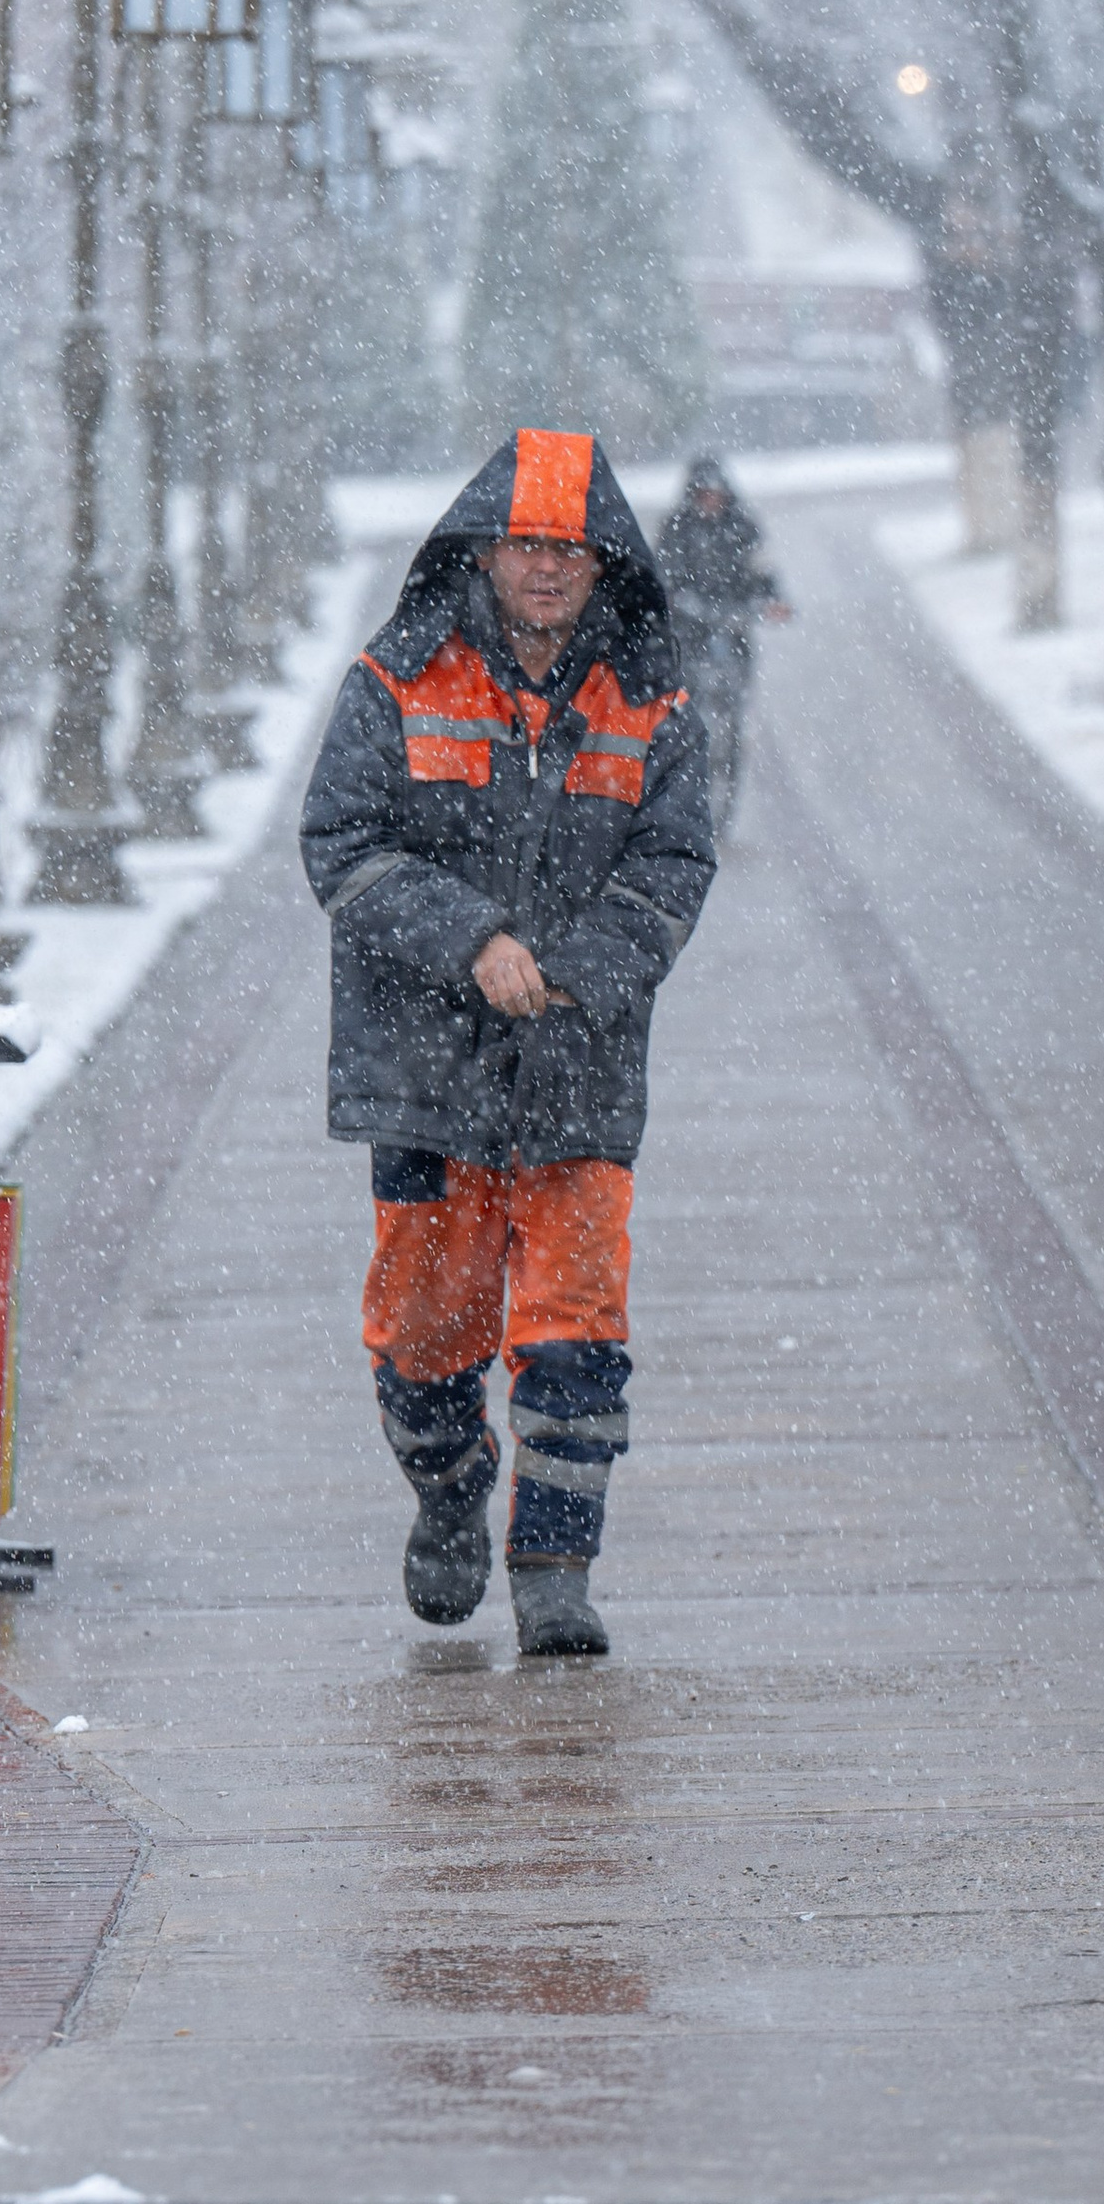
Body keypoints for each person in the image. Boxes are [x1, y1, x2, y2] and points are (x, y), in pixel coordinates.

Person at [300, 426, 715, 1658]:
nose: (546, 566)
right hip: (421, 1078)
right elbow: (341, 843)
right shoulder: (397, 678)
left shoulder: (649, 698)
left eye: (569, 549)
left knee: (576, 1326)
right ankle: (447, 1485)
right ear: (483, 549)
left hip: (581, 1076)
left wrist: (577, 973)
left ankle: (553, 1571)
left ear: (603, 562)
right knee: (425, 1336)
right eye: (527, 543)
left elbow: (675, 862)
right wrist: (471, 939)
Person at [654, 453, 785, 826]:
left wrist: (773, 599)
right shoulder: (676, 528)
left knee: (735, 705)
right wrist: (671, 600)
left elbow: (763, 570)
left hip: (734, 632)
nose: (710, 501)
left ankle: (728, 766)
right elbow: (661, 572)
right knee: (679, 706)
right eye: (704, 494)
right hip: (689, 633)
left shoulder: (743, 527)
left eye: (716, 494)